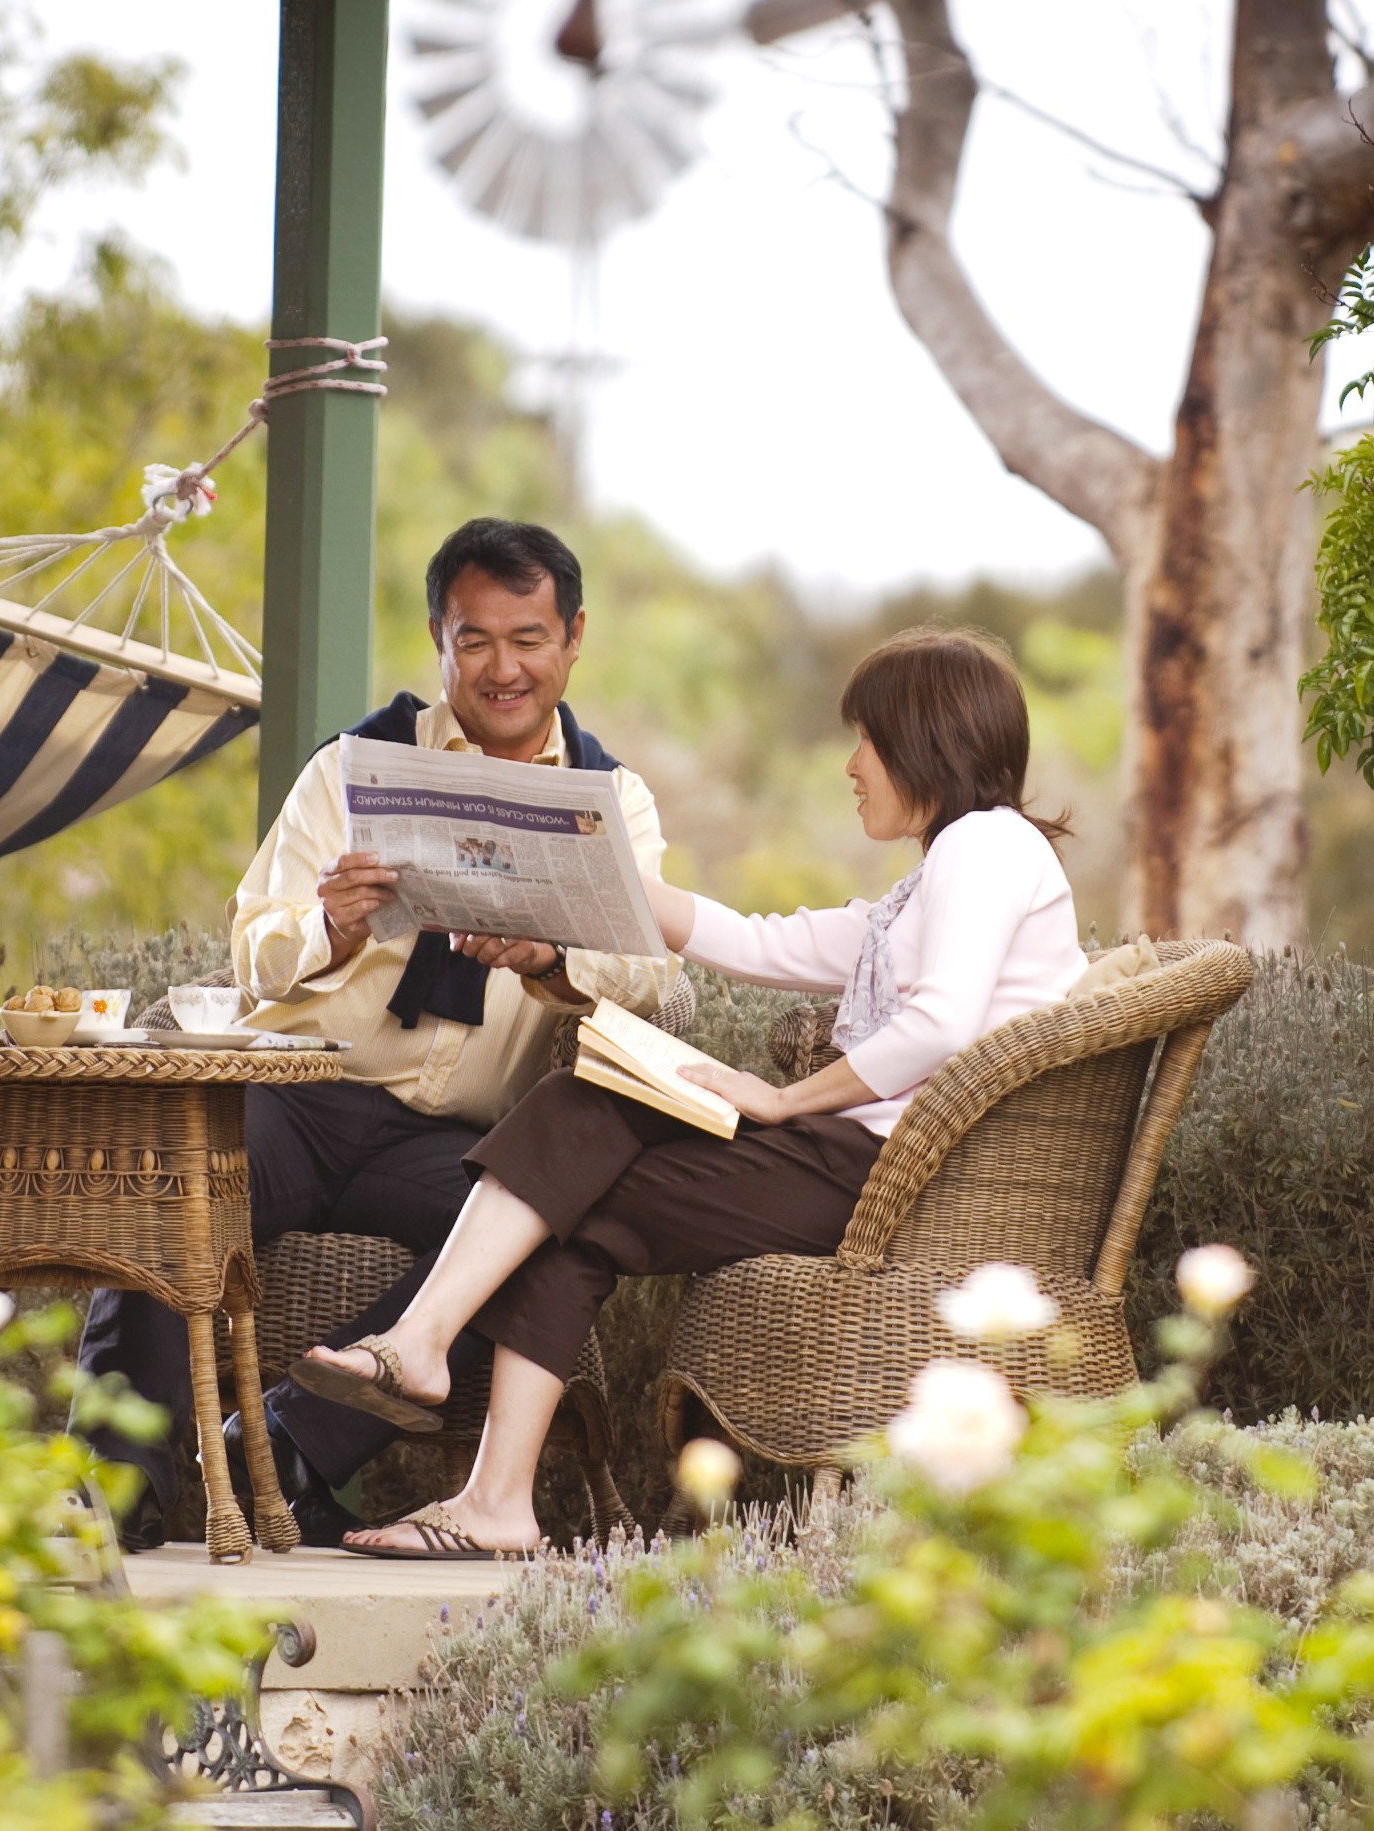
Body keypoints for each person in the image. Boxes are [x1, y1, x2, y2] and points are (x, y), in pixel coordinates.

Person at [297, 627, 1085, 1559]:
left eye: (867, 741)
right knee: (583, 1109)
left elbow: (942, 1024)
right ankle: (451, 1407)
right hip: (858, 1160)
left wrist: (789, 1100)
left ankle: (467, 1442)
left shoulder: (986, 847)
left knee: (567, 1200)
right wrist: (573, 872)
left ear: (926, 742)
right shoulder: (937, 879)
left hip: (889, 1176)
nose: (852, 766)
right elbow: (757, 942)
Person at [74, 516, 687, 1546]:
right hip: (299, 1098)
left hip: (455, 1139)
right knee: (167, 1179)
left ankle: (287, 1445)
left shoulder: (612, 800)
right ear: (439, 638)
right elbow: (252, 948)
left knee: (544, 1234)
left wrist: (552, 957)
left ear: (574, 638)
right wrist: (331, 924)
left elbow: (653, 973)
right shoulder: (352, 765)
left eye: (528, 639)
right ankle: (110, 1491)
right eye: (474, 640)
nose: (502, 669)